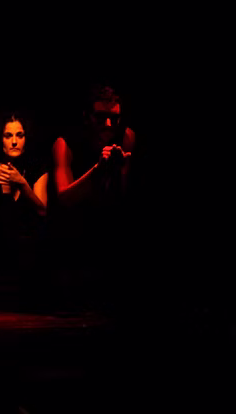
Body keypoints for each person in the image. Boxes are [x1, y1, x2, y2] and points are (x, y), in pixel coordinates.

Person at [50, 83, 135, 311]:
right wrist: (98, 170)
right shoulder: (65, 143)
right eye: (100, 117)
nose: (108, 124)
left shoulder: (126, 137)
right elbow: (64, 198)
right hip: (71, 239)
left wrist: (118, 171)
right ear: (87, 117)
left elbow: (122, 199)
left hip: (109, 234)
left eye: (114, 118)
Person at [0, 111, 48, 303]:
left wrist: (22, 184)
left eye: (19, 135)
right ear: (0, 139)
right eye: (8, 136)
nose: (14, 142)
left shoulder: (36, 168)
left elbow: (42, 211)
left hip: (30, 259)